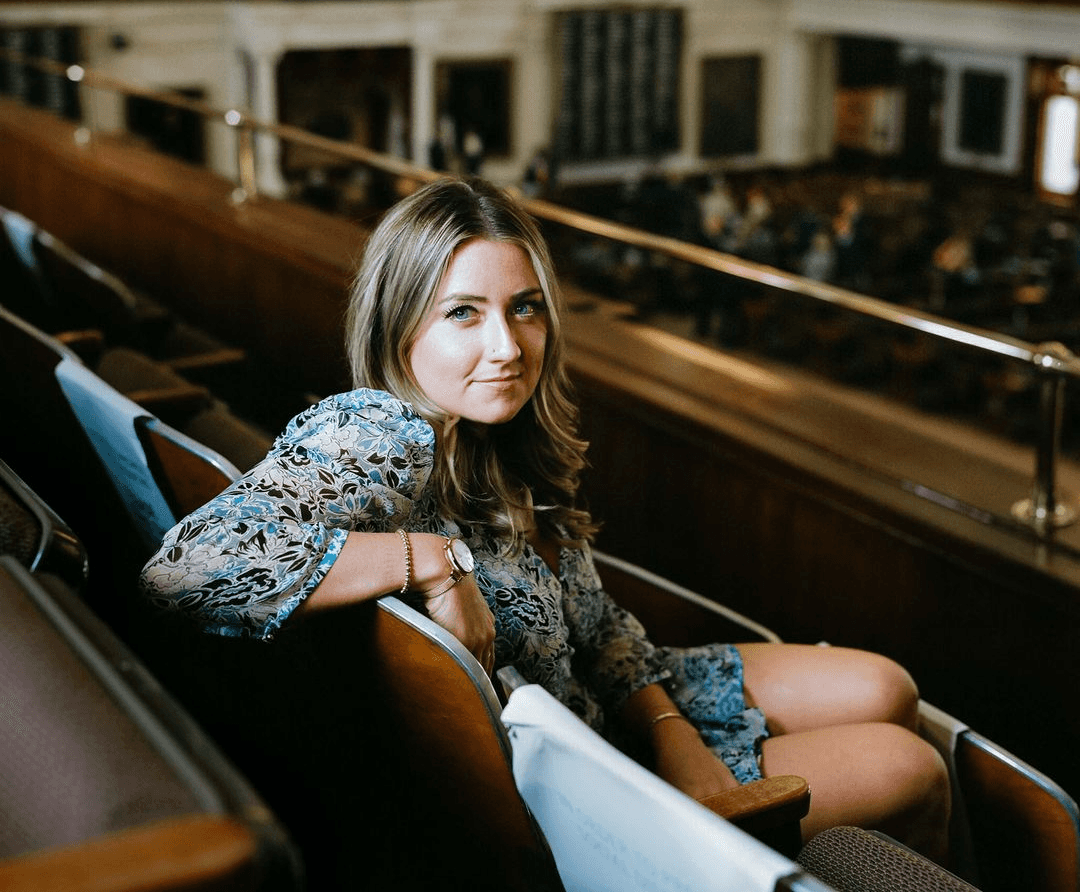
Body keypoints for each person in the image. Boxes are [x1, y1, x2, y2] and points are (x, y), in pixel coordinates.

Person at [139, 176, 950, 859]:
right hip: (573, 780)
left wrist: (674, 732)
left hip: (610, 700)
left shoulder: (498, 432)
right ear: (400, 323)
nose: (507, 347)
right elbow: (186, 569)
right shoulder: (382, 428)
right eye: (463, 313)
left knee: (888, 686)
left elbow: (596, 629)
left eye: (524, 309)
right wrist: (433, 559)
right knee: (912, 768)